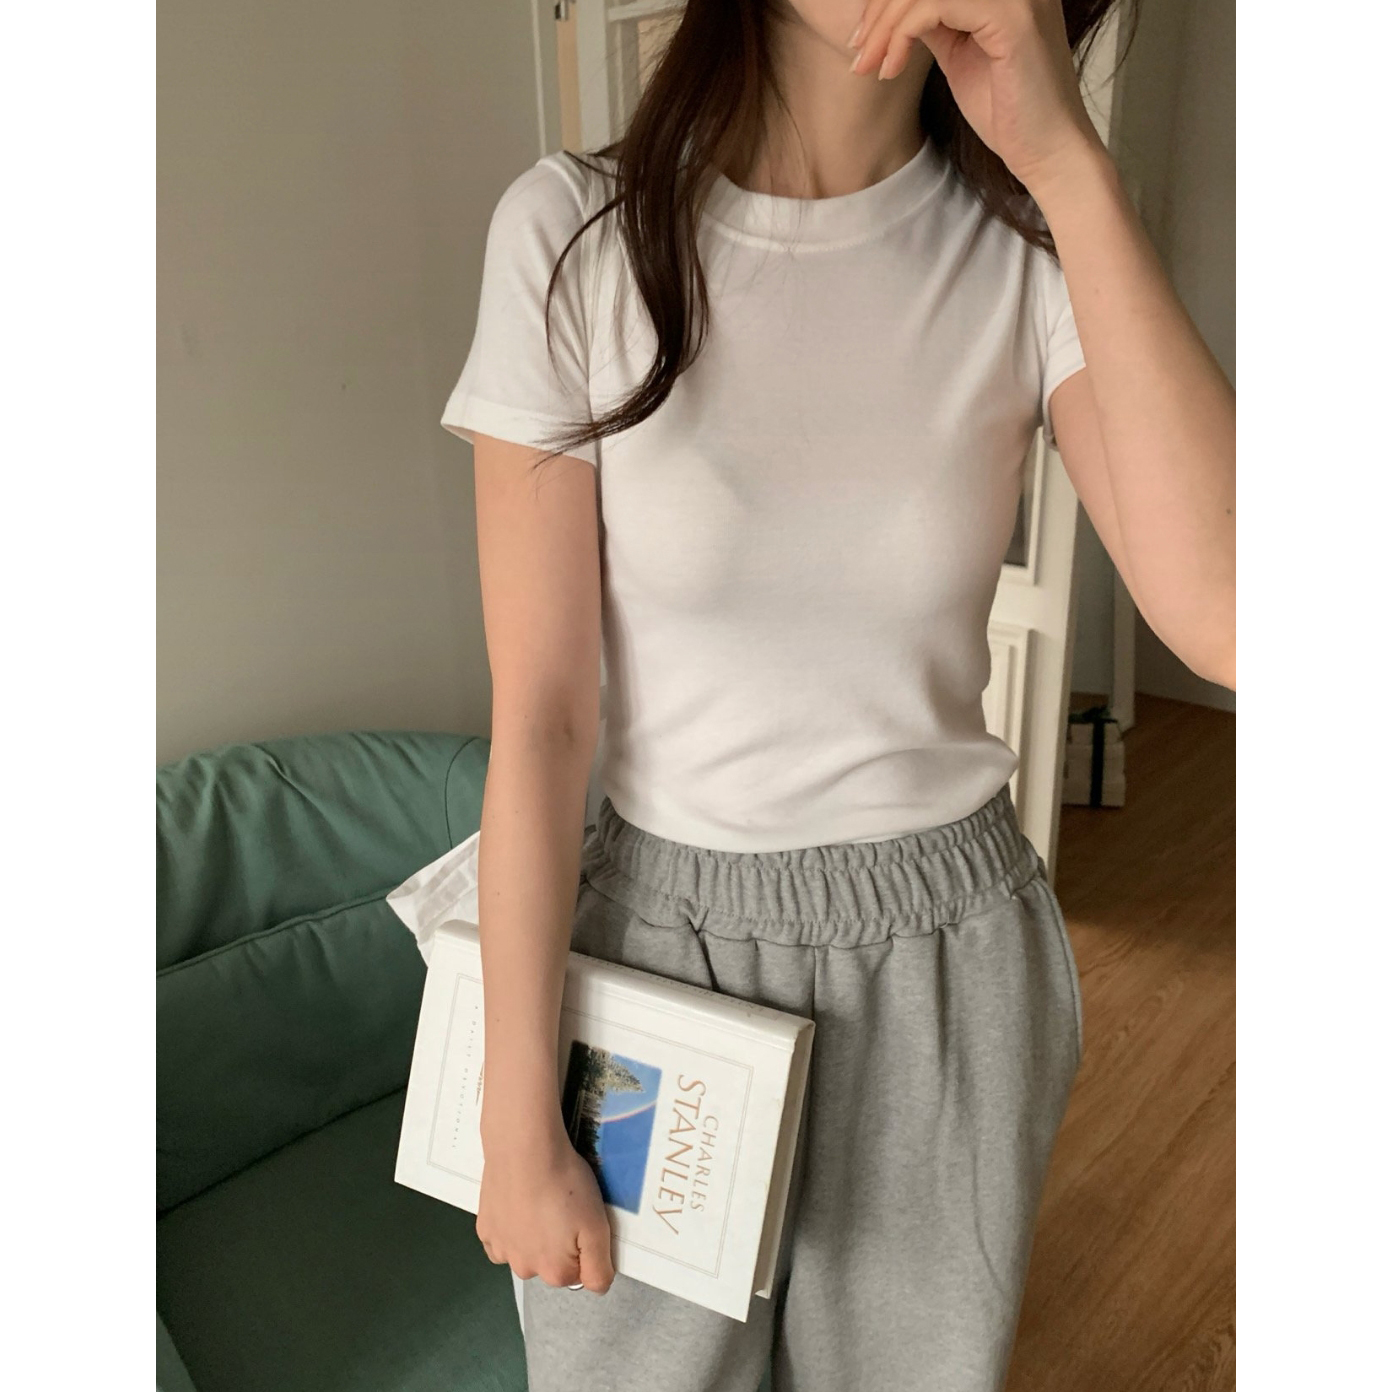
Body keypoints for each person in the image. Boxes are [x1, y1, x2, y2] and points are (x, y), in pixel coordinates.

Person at [441, 1, 1235, 1389]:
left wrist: (1067, 159)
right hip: (653, 957)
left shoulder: (1032, 249)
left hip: (945, 961)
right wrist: (517, 1118)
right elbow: (545, 718)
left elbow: (1234, 619)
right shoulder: (573, 234)